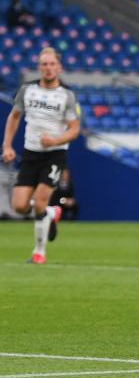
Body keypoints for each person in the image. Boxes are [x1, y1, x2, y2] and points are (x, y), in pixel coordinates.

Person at [1, 47, 81, 264]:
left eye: (52, 64)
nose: (48, 68)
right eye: (44, 64)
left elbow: (74, 130)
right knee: (19, 206)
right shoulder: (27, 90)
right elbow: (14, 117)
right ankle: (51, 213)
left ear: (59, 67)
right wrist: (7, 146)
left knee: (38, 202)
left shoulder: (67, 95)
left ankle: (39, 253)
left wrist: (55, 141)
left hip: (54, 155)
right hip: (31, 154)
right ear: (39, 67)